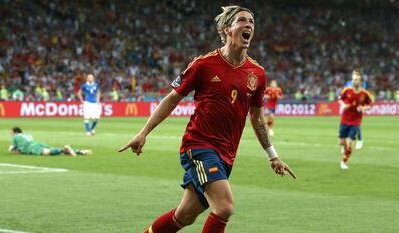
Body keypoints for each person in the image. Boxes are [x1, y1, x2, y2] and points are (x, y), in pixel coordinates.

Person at [118, 5, 296, 233]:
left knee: (184, 216)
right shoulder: (203, 64)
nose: (249, 25)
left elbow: (257, 116)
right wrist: (143, 132)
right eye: (242, 20)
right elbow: (172, 98)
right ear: (227, 28)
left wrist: (272, 156)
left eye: (252, 21)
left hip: (226, 155)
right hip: (199, 147)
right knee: (224, 207)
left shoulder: (257, 73)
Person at [338, 69, 372, 169]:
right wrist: (344, 105)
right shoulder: (347, 90)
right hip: (344, 120)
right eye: (353, 79)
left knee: (349, 143)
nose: (354, 81)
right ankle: (345, 147)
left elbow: (370, 104)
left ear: (361, 82)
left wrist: (363, 108)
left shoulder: (365, 93)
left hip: (355, 121)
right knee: (341, 142)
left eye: (356, 80)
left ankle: (343, 161)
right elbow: (340, 99)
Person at [9, 127, 92, 156]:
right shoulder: (27, 134)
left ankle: (66, 148)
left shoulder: (15, 137)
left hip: (33, 148)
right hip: (37, 143)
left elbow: (17, 151)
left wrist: (12, 150)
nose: (10, 134)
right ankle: (80, 151)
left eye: (11, 132)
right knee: (54, 150)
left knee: (50, 153)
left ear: (15, 132)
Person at [345, 76, 367, 149]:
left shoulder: (362, 84)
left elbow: (362, 93)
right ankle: (351, 139)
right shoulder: (348, 83)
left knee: (356, 124)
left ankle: (360, 140)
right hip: (350, 107)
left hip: (357, 106)